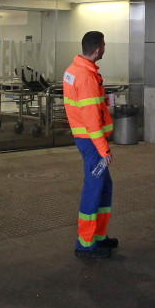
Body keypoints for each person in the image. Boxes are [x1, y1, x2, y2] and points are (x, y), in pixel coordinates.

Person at [63, 31, 117, 259]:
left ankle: (98, 236)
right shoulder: (85, 76)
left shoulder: (77, 70)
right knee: (94, 187)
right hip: (92, 142)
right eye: (104, 45)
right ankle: (85, 243)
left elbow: (90, 107)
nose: (105, 48)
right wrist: (104, 150)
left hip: (88, 140)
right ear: (97, 49)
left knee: (104, 186)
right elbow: (91, 119)